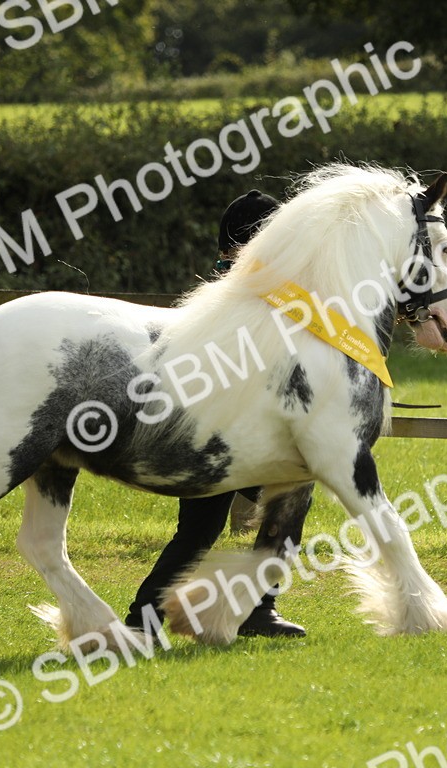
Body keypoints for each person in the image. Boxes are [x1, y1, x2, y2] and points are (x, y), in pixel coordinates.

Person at [125, 190, 306, 638]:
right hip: (226, 434)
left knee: (204, 533)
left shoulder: (237, 290)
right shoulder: (246, 295)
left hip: (230, 430)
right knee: (247, 519)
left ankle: (149, 619)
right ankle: (246, 610)